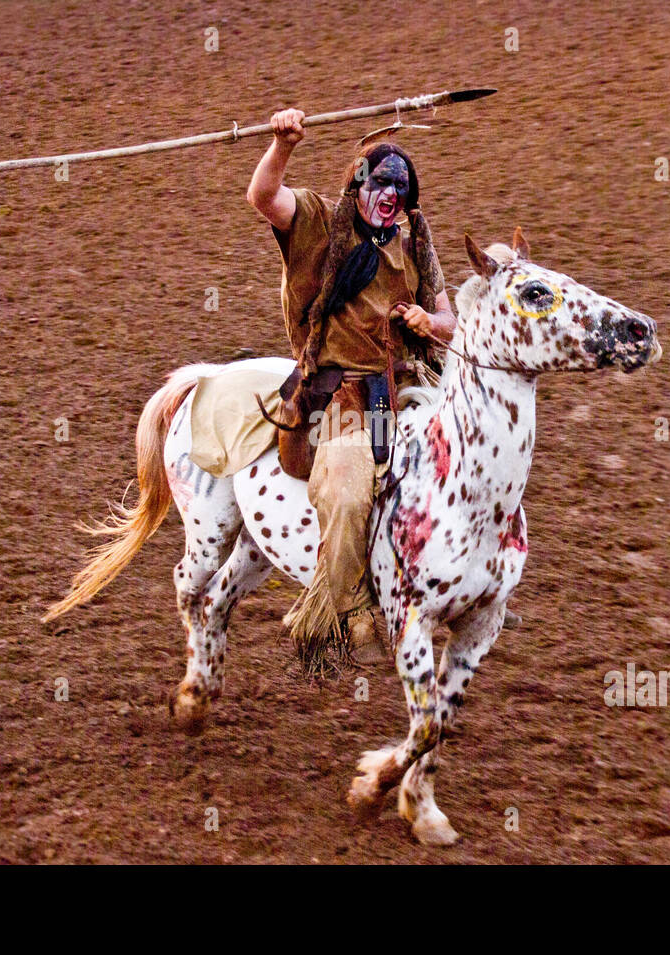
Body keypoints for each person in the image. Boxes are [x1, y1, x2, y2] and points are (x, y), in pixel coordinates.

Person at [246, 107, 456, 667]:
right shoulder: (317, 219)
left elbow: (449, 321)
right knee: (346, 486)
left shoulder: (414, 245)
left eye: (401, 188)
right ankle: (349, 606)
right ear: (358, 184)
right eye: (380, 182)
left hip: (404, 387)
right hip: (340, 392)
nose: (390, 194)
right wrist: (283, 144)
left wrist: (428, 325)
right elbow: (264, 196)